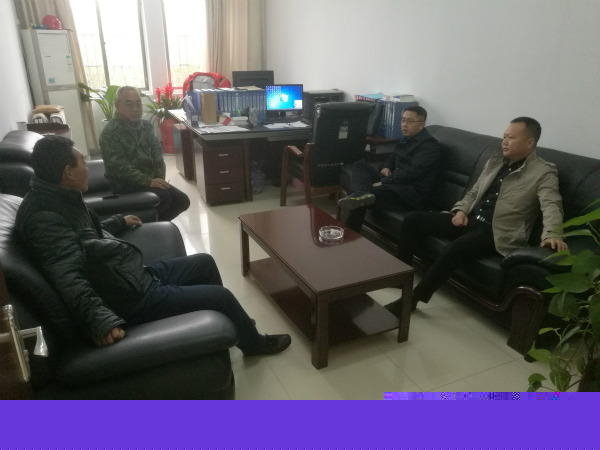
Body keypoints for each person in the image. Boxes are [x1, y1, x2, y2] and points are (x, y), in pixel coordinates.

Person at [16, 135, 291, 355]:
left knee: (204, 262)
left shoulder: (58, 198)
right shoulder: (45, 218)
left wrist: (118, 221)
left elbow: (85, 236)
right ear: (68, 172)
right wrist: (100, 320)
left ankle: (233, 328)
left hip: (128, 277)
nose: (88, 167)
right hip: (130, 298)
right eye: (82, 163)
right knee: (223, 297)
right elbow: (68, 277)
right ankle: (254, 344)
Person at [385, 117, 568, 315]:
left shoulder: (543, 172)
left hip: (497, 232)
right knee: (413, 219)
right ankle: (399, 277)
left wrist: (552, 234)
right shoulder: (495, 162)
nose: (504, 142)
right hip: (471, 220)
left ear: (530, 142)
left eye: (511, 138)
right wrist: (461, 210)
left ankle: (412, 300)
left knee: (455, 248)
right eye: (504, 137)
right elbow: (473, 192)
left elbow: (551, 205)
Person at [338, 106, 441, 232]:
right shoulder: (407, 139)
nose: (404, 125)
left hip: (408, 194)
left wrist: (384, 181)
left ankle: (350, 234)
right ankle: (360, 193)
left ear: (421, 125)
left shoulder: (429, 146)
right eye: (403, 120)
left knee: (364, 196)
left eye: (409, 121)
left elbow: (411, 173)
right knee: (359, 165)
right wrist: (386, 166)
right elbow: (392, 157)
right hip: (395, 183)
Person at [100, 86, 190, 221]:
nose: (135, 109)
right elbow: (120, 168)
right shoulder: (110, 133)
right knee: (163, 198)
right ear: (117, 105)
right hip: (124, 184)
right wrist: (149, 181)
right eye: (129, 104)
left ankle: (156, 225)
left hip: (149, 180)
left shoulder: (146, 127)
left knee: (182, 201)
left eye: (138, 104)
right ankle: (149, 226)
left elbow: (157, 155)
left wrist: (158, 179)